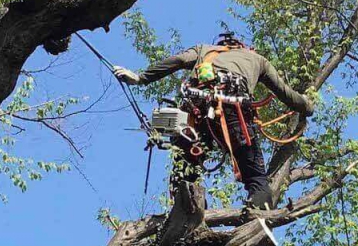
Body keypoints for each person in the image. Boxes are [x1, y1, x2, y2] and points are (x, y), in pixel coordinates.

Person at [113, 32, 314, 210]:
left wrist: (141, 78)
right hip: (234, 108)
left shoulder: (204, 50)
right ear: (243, 47)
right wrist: (307, 106)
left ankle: (188, 216)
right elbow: (286, 93)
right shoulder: (256, 59)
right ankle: (258, 213)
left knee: (185, 174)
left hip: (196, 114)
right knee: (256, 177)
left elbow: (178, 60)